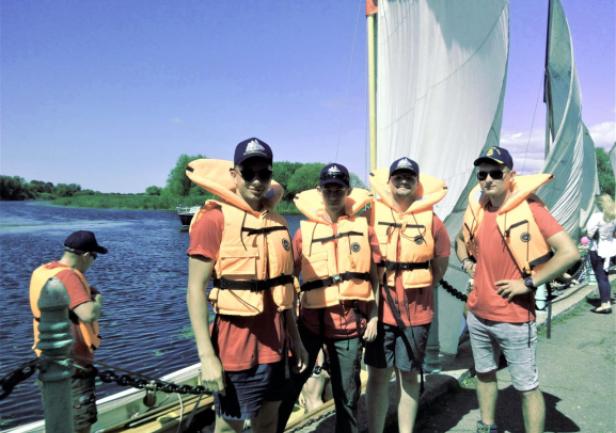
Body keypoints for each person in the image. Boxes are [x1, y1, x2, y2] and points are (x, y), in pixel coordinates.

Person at [186, 137, 307, 433]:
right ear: (234, 174)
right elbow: (194, 290)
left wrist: (296, 339)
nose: (256, 180)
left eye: (263, 173)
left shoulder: (278, 222)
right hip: (234, 349)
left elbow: (284, 290)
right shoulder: (213, 219)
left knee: (269, 421)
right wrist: (207, 356)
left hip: (276, 346)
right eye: (248, 172)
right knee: (229, 426)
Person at [456, 146, 580, 433]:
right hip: (477, 314)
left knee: (526, 387)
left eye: (495, 173)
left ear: (510, 175)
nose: (488, 179)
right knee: (484, 374)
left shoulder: (531, 208)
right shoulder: (478, 208)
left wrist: (528, 283)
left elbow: (569, 253)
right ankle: (487, 426)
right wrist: (466, 263)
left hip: (514, 318)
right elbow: (460, 240)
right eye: (482, 174)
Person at [276, 163, 380, 433]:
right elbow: (288, 278)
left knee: (348, 395)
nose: (333, 194)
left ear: (347, 191)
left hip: (348, 326)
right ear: (319, 191)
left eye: (338, 189)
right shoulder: (303, 233)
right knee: (290, 387)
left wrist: (374, 316)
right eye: (328, 189)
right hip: (309, 325)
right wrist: (289, 324)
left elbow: (375, 277)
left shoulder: (365, 231)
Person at [364, 157, 450, 433]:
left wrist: (420, 283)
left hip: (417, 313)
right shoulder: (371, 216)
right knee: (378, 377)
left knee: (409, 376)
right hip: (380, 314)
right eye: (398, 177)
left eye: (409, 177)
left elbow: (440, 265)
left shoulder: (432, 222)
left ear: (416, 183)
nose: (403, 181)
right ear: (389, 182)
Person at [29, 230, 107, 433]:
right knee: (80, 423)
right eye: (94, 257)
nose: (93, 262)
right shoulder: (68, 276)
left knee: (60, 417)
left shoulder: (45, 271)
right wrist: (98, 301)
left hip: (49, 359)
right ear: (86, 255)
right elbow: (88, 313)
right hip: (73, 365)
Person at [585, 193, 616, 314]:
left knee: (601, 277)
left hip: (598, 248)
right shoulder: (613, 215)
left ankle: (605, 304)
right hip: (610, 247)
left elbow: (589, 233)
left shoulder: (597, 216)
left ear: (600, 204)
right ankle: (606, 301)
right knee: (605, 276)